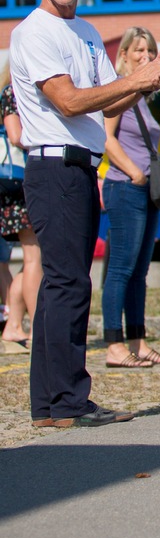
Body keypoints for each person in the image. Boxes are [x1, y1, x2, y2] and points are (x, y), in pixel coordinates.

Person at [10, 0, 160, 428]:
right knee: (68, 283)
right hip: (53, 168)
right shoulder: (34, 33)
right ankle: (67, 402)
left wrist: (145, 80)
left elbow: (106, 103)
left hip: (81, 167)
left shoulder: (84, 32)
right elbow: (67, 101)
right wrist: (135, 79)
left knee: (64, 284)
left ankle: (49, 405)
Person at [101, 27, 160, 368]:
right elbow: (106, 139)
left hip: (145, 190)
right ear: (125, 54)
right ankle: (114, 345)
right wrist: (134, 172)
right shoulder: (121, 89)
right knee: (120, 268)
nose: (145, 56)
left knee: (139, 271)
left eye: (150, 51)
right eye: (139, 50)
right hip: (125, 186)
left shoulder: (143, 96)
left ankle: (138, 341)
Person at [0, 63, 40, 354]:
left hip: (25, 182)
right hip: (20, 185)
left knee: (34, 261)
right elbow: (15, 136)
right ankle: (36, 328)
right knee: (33, 260)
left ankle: (14, 325)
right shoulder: (13, 92)